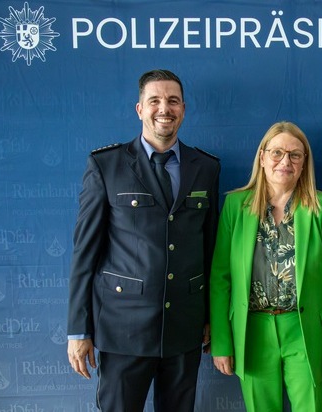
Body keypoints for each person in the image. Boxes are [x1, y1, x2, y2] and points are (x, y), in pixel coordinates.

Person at [66, 69, 220, 412]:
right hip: (123, 327)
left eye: (173, 101)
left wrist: (212, 317)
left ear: (183, 109)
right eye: (155, 101)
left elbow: (210, 249)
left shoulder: (207, 167)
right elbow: (84, 254)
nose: (164, 108)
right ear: (139, 109)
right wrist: (78, 330)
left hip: (184, 327)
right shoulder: (106, 165)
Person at [210, 121, 322, 411]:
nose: (285, 161)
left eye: (295, 155)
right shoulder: (236, 206)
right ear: (262, 158)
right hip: (252, 331)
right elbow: (220, 279)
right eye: (276, 153)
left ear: (304, 163)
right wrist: (221, 343)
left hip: (305, 331)